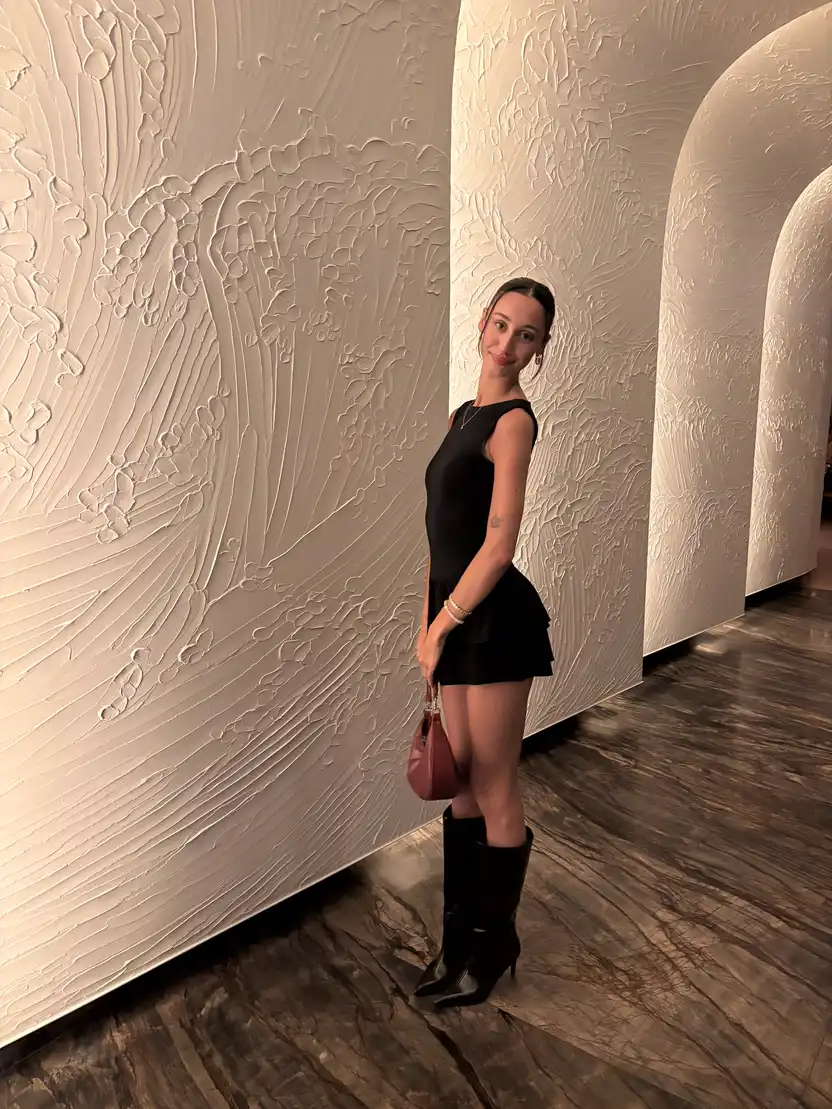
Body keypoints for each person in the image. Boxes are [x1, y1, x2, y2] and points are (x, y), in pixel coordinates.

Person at [415, 276, 555, 1009]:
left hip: (494, 622)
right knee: (463, 780)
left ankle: (492, 945)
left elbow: (499, 545)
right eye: (501, 324)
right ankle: (459, 942)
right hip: (455, 615)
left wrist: (444, 623)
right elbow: (439, 539)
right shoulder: (462, 415)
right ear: (482, 322)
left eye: (525, 334)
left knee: (494, 783)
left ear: (540, 348)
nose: (507, 343)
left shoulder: (513, 422)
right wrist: (426, 625)